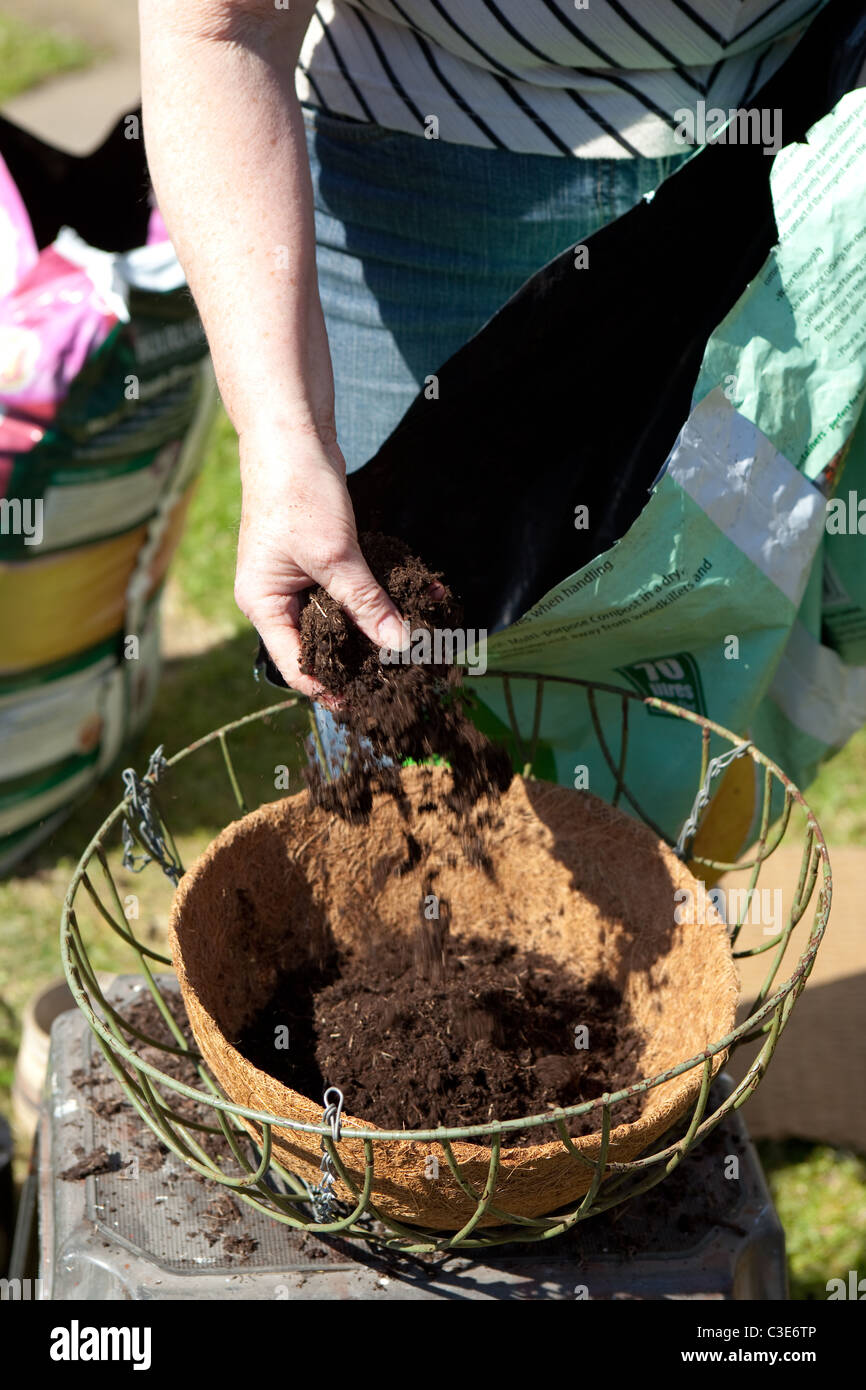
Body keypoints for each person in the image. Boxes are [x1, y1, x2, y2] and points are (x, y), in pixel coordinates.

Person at [139, 0, 820, 698]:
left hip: (782, 148)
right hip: (423, 178)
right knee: (395, 704)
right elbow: (219, 25)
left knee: (697, 675)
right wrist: (285, 439)